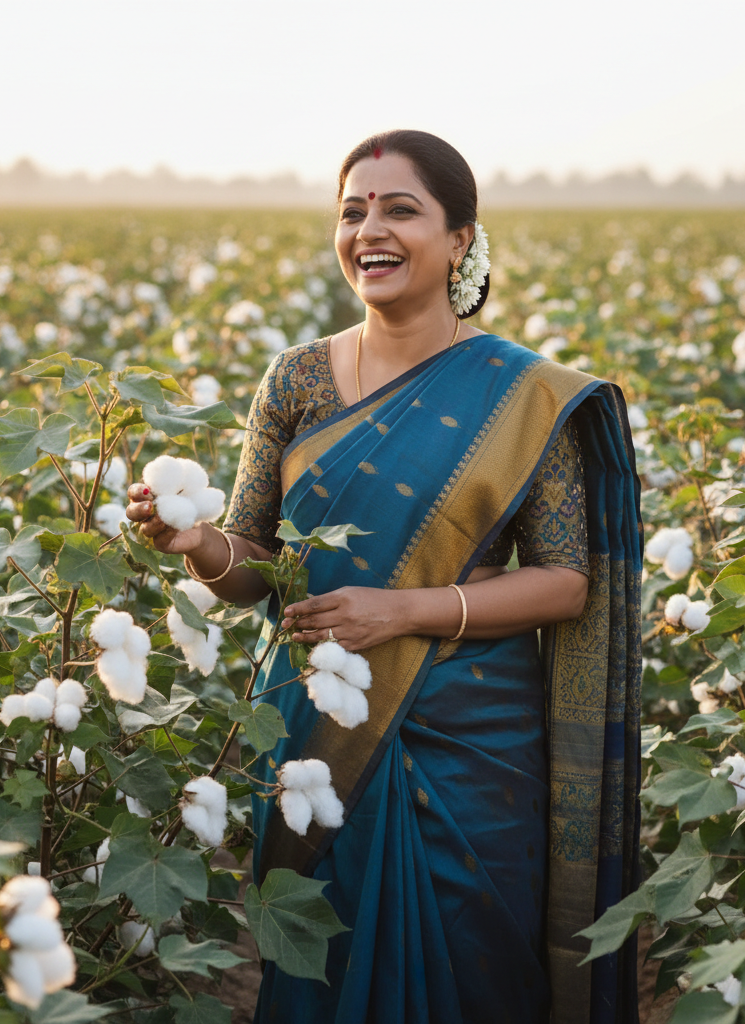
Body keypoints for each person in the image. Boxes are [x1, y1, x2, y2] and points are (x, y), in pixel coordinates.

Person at [127, 129, 643, 1024]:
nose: (372, 228)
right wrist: (198, 545)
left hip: (473, 739)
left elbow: (565, 583)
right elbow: (254, 565)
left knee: (477, 968)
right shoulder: (294, 380)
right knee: (326, 957)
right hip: (322, 725)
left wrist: (402, 610)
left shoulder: (525, 397)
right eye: (353, 210)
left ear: (460, 239)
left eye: (401, 209)